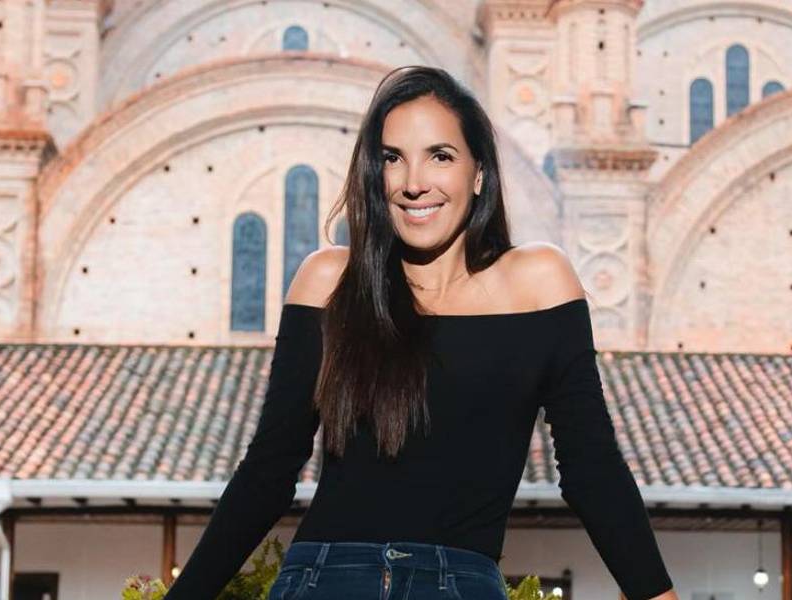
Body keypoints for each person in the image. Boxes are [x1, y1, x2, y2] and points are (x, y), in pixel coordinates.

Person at [164, 65, 677, 600]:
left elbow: (591, 466)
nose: (414, 182)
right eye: (393, 158)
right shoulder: (329, 281)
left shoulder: (539, 282)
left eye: (440, 156)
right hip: (325, 579)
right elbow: (268, 470)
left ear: (479, 173)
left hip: (458, 585)